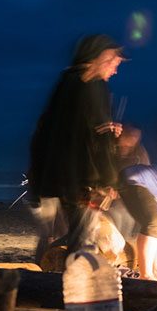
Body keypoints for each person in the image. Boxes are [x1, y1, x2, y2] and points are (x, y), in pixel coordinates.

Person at [28, 34, 126, 257]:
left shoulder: (66, 85)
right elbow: (97, 138)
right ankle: (77, 288)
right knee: (84, 240)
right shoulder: (93, 86)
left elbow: (52, 132)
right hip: (84, 180)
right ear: (101, 57)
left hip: (60, 177)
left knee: (77, 236)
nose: (115, 70)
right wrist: (109, 180)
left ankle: (67, 282)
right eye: (114, 63)